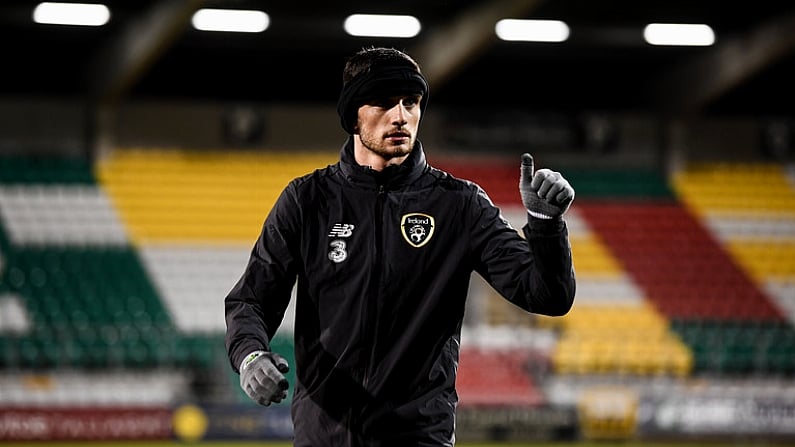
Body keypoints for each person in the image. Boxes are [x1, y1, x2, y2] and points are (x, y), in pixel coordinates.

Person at [224, 46, 576, 446]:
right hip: (325, 437)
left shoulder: (459, 205)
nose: (401, 116)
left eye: (411, 102)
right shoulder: (308, 200)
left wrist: (546, 226)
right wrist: (250, 356)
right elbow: (250, 300)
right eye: (383, 102)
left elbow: (547, 295)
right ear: (353, 115)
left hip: (418, 438)